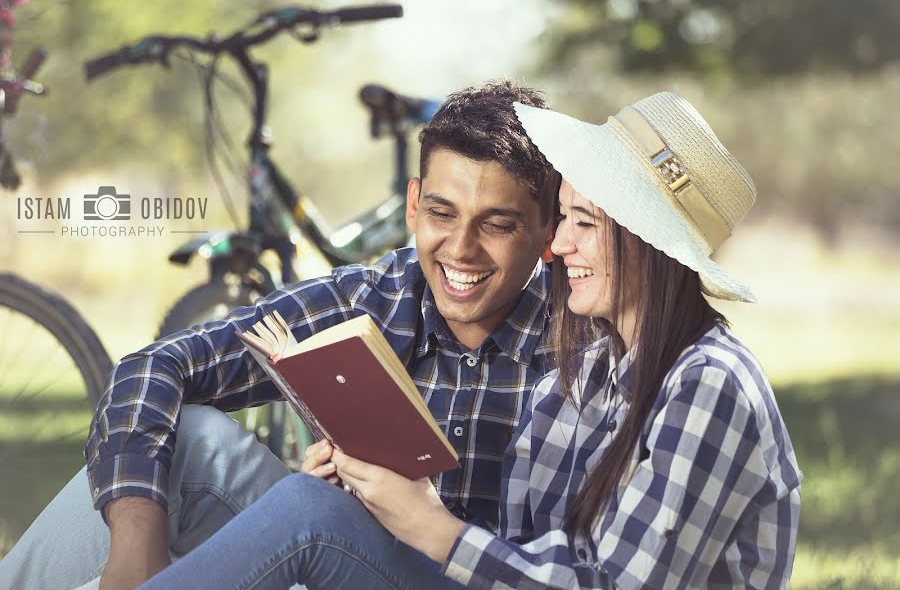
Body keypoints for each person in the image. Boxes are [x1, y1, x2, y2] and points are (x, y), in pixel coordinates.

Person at [139, 91, 802, 589]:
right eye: (563, 221)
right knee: (271, 483)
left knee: (306, 514)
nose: (560, 245)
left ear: (652, 249)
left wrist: (431, 526)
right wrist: (382, 498)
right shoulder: (591, 366)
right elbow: (523, 545)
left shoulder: (709, 383)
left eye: (584, 225)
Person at [0, 80, 561, 590]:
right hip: (344, 555)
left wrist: (408, 519)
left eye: (496, 224)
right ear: (414, 206)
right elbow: (156, 366)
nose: (461, 249)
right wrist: (135, 543)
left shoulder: (585, 342)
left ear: (546, 231)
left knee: (306, 510)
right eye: (442, 213)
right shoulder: (378, 296)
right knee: (194, 438)